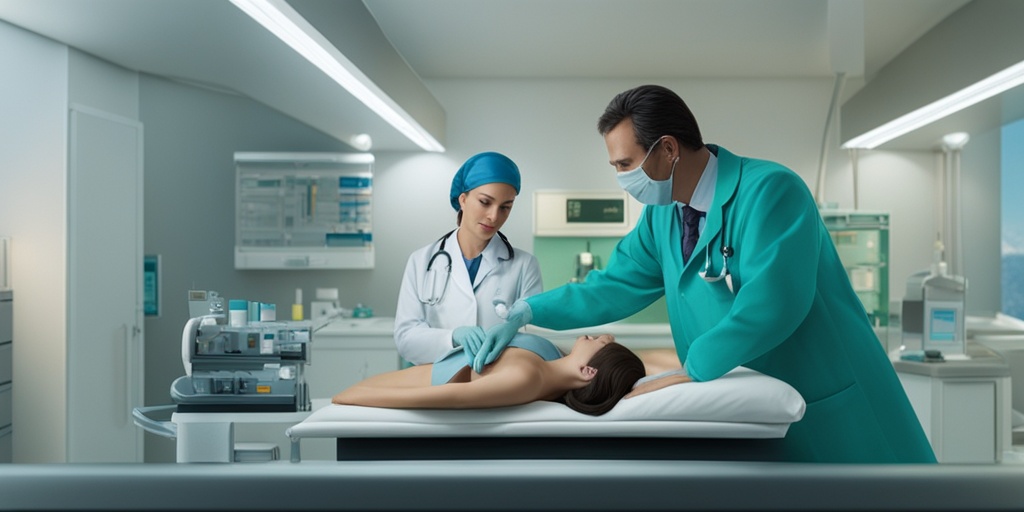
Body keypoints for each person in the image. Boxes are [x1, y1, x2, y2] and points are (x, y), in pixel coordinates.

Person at [475, 84, 936, 463]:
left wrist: (693, 368)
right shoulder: (664, 216)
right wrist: (526, 310)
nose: (620, 177)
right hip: (746, 408)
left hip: (827, 402)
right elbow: (613, 285)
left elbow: (775, 303)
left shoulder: (771, 191)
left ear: (668, 150)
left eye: (624, 165)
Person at [394, 151, 543, 365]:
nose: (494, 216)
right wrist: (451, 337)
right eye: (485, 202)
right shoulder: (421, 261)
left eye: (505, 207)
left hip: (497, 384)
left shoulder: (524, 266)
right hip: (436, 382)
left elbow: (533, 339)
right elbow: (405, 338)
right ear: (462, 199)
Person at [333, 333, 646, 416]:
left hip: (417, 380)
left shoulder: (526, 379)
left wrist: (352, 399)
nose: (601, 336)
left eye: (602, 344)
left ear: (588, 371)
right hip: (423, 368)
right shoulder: (552, 358)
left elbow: (447, 397)